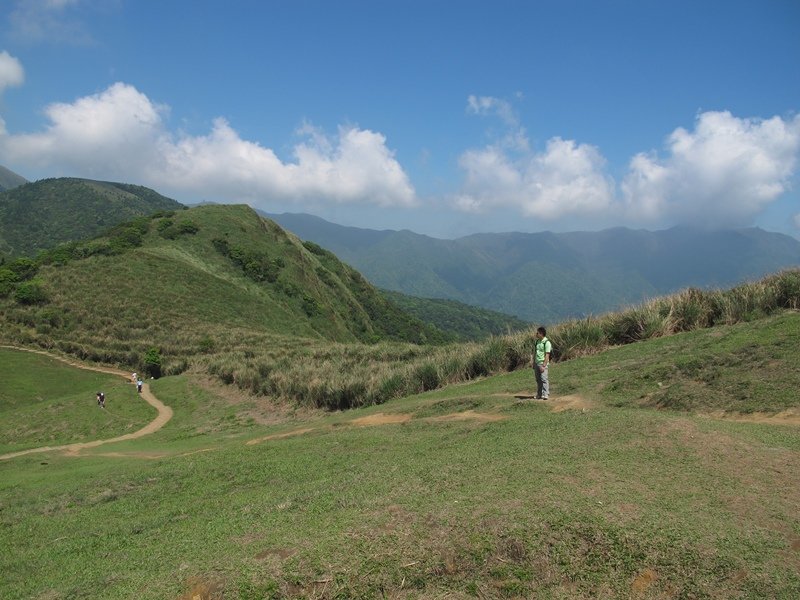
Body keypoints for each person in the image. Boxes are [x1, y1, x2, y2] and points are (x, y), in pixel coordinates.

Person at [532, 326, 551, 399]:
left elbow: (547, 354)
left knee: (544, 379)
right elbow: (535, 353)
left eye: (538, 333)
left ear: (541, 334)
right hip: (537, 363)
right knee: (538, 379)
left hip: (542, 363)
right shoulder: (537, 342)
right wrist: (534, 363)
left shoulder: (547, 342)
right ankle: (539, 394)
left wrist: (544, 365)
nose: (536, 334)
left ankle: (546, 394)